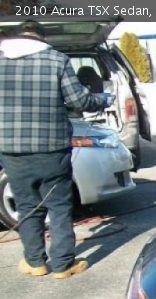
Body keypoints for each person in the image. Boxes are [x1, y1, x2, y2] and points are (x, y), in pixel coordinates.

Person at [0, 20, 112, 279]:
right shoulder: (56, 60)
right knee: (59, 205)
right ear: (41, 39)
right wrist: (103, 100)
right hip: (51, 149)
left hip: (11, 149)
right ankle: (62, 264)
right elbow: (79, 100)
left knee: (27, 205)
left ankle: (35, 262)